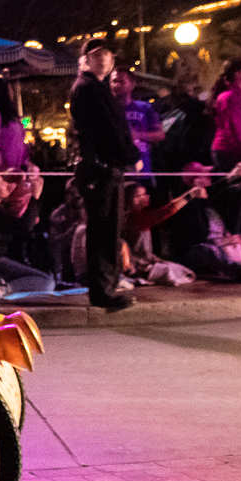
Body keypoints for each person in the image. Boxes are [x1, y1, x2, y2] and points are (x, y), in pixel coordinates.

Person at [69, 38, 141, 311]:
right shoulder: (88, 89)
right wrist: (130, 156)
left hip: (105, 166)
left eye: (108, 55)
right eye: (98, 55)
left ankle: (108, 286)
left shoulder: (96, 88)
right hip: (99, 167)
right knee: (102, 230)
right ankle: (103, 291)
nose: (106, 59)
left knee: (109, 229)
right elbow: (107, 129)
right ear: (86, 59)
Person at [166, 162, 241, 281]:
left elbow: (235, 195)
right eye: (204, 176)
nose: (209, 177)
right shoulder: (187, 204)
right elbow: (198, 234)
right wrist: (231, 177)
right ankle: (240, 270)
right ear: (193, 181)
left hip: (220, 243)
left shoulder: (212, 202)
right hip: (198, 249)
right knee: (206, 250)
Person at [210, 58, 241, 171]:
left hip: (240, 153)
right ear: (238, 74)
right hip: (231, 154)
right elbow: (235, 131)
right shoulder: (231, 97)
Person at [112, 70, 163, 181]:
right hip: (117, 170)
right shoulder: (108, 110)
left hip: (142, 168)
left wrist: (137, 135)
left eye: (121, 81)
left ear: (132, 84)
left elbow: (160, 135)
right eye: (114, 81)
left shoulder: (144, 108)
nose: (117, 85)